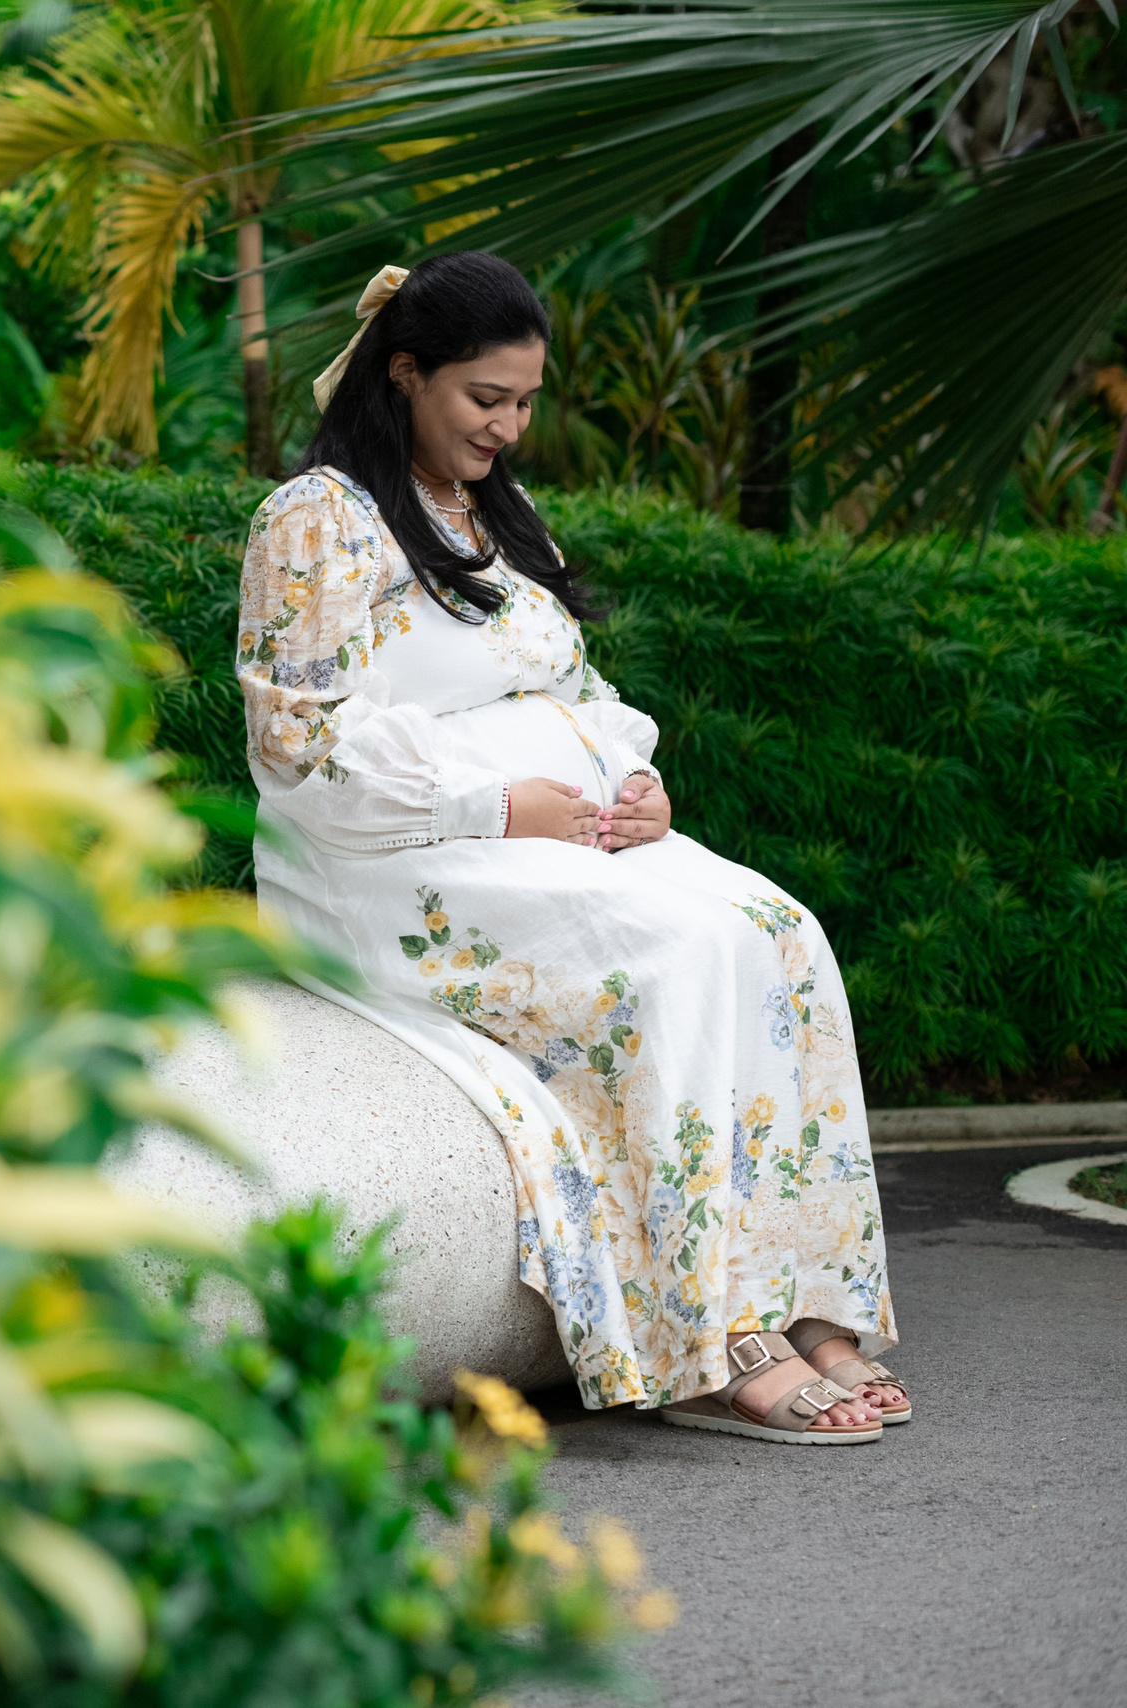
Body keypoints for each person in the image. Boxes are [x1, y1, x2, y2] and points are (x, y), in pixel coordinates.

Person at [237, 252, 907, 1442]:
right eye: (482, 398)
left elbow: (575, 682)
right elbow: (303, 747)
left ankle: (804, 1293)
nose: (507, 425)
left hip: (557, 824)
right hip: (398, 859)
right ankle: (709, 1331)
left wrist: (632, 783)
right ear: (404, 377)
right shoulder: (315, 520)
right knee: (659, 955)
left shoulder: (494, 513)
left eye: (524, 401)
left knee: (777, 931)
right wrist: (501, 805)